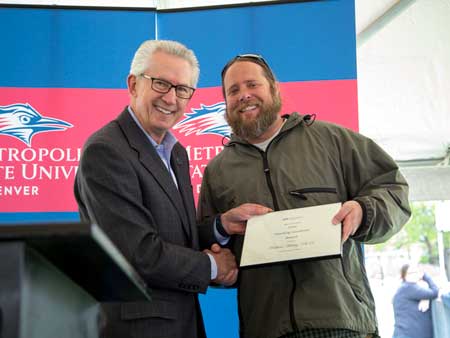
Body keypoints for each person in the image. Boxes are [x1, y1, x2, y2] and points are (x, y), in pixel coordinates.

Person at [197, 54, 411, 338]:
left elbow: (394, 191)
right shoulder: (218, 171)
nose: (244, 95)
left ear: (274, 88)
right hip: (266, 328)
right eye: (233, 90)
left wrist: (364, 210)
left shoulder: (333, 141)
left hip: (342, 323)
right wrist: (220, 236)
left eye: (252, 84)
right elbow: (207, 244)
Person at [74, 40, 242, 338]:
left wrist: (220, 227)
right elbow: (138, 253)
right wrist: (212, 266)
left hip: (184, 324)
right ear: (133, 84)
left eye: (182, 90)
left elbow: (174, 236)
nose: (171, 98)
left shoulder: (176, 154)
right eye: (161, 83)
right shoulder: (106, 150)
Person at [392, 264, 439, 338]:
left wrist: (426, 298)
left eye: (416, 272)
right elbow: (435, 292)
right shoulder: (408, 287)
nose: (414, 275)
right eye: (411, 273)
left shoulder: (406, 288)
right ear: (404, 276)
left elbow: (428, 292)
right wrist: (425, 276)